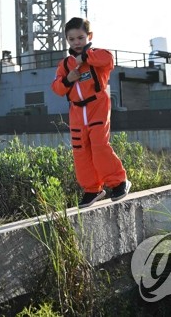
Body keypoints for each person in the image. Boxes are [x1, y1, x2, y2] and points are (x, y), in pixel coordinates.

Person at [51, 16, 131, 207]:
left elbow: (108, 59)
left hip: (97, 107)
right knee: (80, 151)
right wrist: (69, 79)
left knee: (99, 145)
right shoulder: (64, 66)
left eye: (80, 38)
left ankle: (119, 181)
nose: (76, 42)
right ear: (67, 40)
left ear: (89, 36)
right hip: (77, 112)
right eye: (72, 39)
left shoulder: (97, 56)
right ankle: (92, 189)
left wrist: (85, 57)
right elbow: (57, 88)